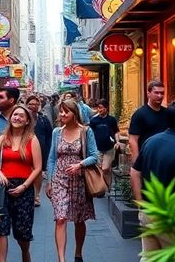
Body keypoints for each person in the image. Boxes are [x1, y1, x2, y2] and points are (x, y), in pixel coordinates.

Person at [131, 101, 175, 253]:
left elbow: (134, 172)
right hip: (171, 216)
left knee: (149, 257)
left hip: (148, 211)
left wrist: (141, 204)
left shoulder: (150, 142)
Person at [0, 104, 42, 262]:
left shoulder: (32, 140)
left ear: (27, 121)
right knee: (1, 229)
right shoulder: (1, 139)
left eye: (21, 116)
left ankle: (25, 255)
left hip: (24, 188)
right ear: (10, 118)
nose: (17, 118)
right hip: (3, 187)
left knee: (23, 232)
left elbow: (37, 168)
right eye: (15, 115)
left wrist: (24, 186)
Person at [47, 99, 100, 262]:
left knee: (79, 219)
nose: (62, 114)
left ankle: (78, 253)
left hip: (79, 180)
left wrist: (80, 164)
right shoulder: (57, 132)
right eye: (61, 111)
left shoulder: (86, 131)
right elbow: (51, 158)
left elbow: (94, 155)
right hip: (60, 178)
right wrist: (49, 181)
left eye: (66, 111)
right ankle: (61, 259)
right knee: (60, 217)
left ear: (74, 114)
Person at [128, 80, 167, 164]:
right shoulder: (140, 114)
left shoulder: (167, 113)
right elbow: (133, 140)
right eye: (156, 93)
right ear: (148, 93)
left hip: (165, 157)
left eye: (162, 93)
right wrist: (136, 161)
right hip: (147, 158)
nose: (160, 96)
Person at [25, 94, 53, 207]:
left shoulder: (43, 119)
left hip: (41, 150)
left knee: (38, 173)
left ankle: (36, 196)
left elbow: (49, 135)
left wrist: (49, 149)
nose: (33, 106)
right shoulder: (23, 119)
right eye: (31, 104)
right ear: (26, 105)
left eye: (36, 104)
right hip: (25, 150)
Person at [89, 98, 119, 188]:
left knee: (105, 168)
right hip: (97, 148)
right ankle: (104, 187)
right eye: (98, 108)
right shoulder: (94, 121)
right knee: (100, 169)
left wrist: (118, 142)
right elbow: (90, 133)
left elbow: (116, 131)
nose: (99, 110)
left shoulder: (112, 120)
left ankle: (107, 187)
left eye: (101, 108)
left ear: (106, 108)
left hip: (109, 148)